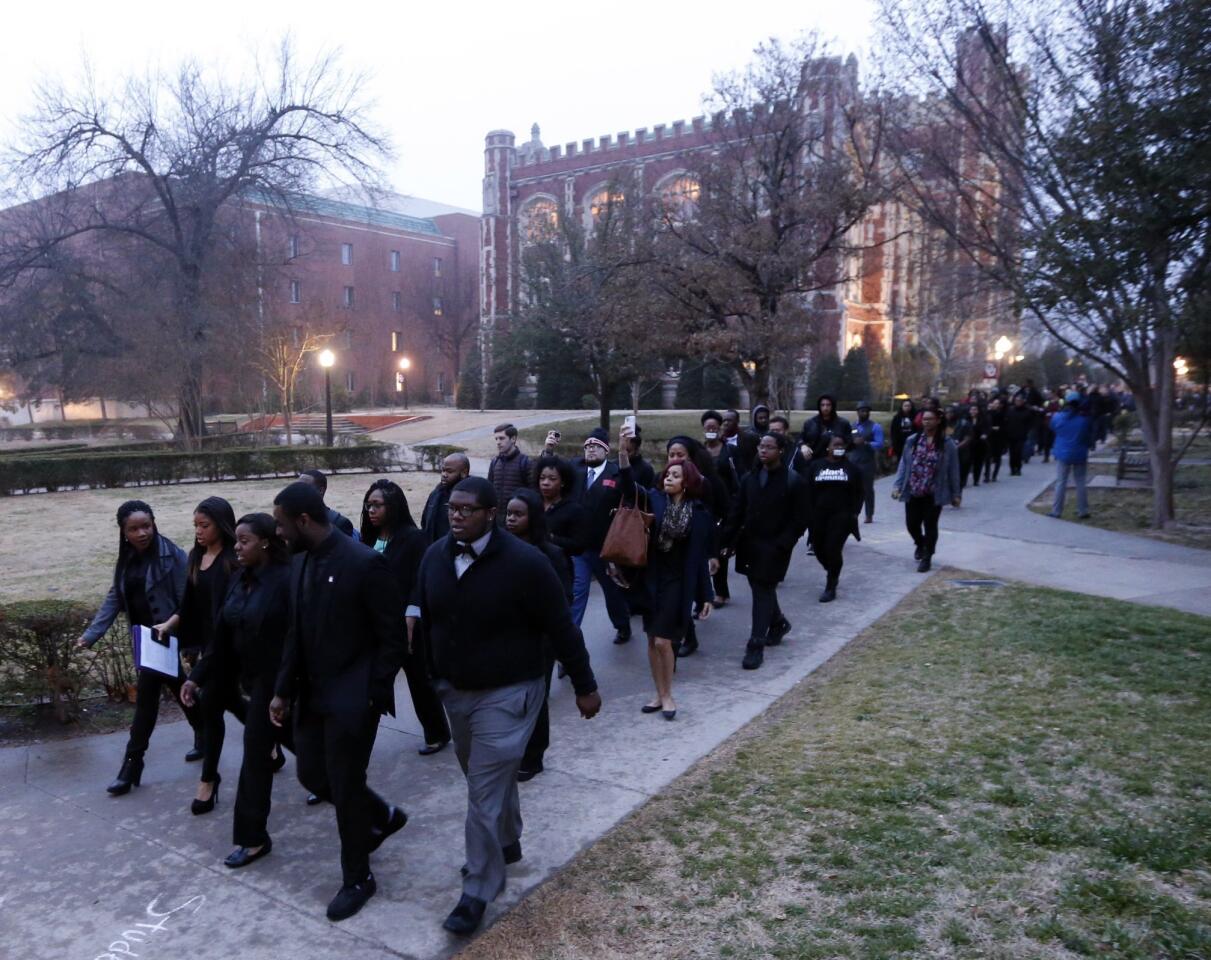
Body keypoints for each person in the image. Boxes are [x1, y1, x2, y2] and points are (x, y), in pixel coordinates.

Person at [410, 476, 601, 935]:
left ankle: (479, 887)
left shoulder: (526, 563)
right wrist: (433, 676)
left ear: (490, 514)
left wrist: (584, 684)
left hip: (511, 690)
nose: (456, 515)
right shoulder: (435, 555)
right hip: (456, 691)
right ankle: (509, 841)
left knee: (482, 788)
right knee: (484, 777)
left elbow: (561, 626)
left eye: (466, 509)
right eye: (452, 509)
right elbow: (425, 612)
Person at [269, 481, 407, 923]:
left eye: (281, 524)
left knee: (345, 788)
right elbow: (296, 631)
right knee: (311, 773)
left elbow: (392, 640)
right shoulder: (301, 561)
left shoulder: (365, 563)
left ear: (304, 520)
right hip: (311, 695)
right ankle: (381, 814)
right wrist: (282, 689)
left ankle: (358, 878)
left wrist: (371, 694)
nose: (279, 533)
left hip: (352, 699)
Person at [181, 513, 294, 869]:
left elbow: (297, 640)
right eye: (236, 541)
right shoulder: (237, 579)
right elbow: (222, 638)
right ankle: (252, 838)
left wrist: (284, 689)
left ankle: (373, 813)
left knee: (314, 765)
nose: (237, 548)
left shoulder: (286, 580)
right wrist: (196, 677)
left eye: (244, 541)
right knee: (278, 754)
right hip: (255, 683)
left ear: (264, 542)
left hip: (281, 684)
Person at [78, 500, 201, 796]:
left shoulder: (172, 556)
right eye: (133, 529)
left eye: (146, 526)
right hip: (144, 640)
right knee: (180, 687)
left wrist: (180, 634)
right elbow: (115, 597)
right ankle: (207, 734)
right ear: (123, 532)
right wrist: (91, 634)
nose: (142, 533)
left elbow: (190, 599)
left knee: (146, 702)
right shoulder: (128, 558)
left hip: (164, 637)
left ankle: (131, 765)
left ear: (154, 523)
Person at [152, 496, 244, 815]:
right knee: (235, 705)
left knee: (211, 704)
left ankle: (208, 780)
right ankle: (276, 741)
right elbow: (188, 606)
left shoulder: (235, 559)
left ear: (222, 525)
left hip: (231, 648)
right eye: (195, 525)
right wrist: (168, 624)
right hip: (208, 646)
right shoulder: (195, 557)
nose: (199, 531)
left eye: (204, 525)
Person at [619, 424, 715, 718]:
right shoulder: (654, 499)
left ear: (686, 481)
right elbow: (627, 486)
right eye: (667, 474)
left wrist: (706, 595)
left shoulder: (699, 514)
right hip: (651, 579)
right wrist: (622, 452)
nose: (668, 477)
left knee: (663, 640)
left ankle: (669, 695)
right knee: (651, 639)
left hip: (678, 582)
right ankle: (659, 694)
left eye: (675, 475)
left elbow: (698, 558)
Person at [361, 479, 450, 756]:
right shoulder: (369, 538)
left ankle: (437, 732)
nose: (371, 510)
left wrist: (411, 617)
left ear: (394, 506)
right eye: (368, 504)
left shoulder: (413, 538)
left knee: (419, 680)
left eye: (377, 505)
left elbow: (420, 581)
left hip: (408, 623)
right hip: (376, 623)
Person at [721, 433, 809, 671]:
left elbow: (800, 518)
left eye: (769, 447)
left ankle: (756, 644)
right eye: (761, 446)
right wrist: (724, 541)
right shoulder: (750, 478)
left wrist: (785, 542)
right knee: (760, 587)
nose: (763, 450)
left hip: (775, 546)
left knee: (763, 589)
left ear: (780, 451)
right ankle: (778, 622)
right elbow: (737, 511)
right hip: (750, 544)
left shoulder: (794, 481)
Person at [505, 488, 574, 781]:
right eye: (508, 513)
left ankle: (534, 756)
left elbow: (562, 601)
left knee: (534, 699)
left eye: (518, 514)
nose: (510, 519)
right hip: (506, 638)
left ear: (533, 517)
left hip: (539, 641)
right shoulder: (500, 549)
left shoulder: (551, 554)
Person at [565, 427, 633, 644]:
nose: (591, 449)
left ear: (606, 450)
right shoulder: (575, 471)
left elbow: (630, 494)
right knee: (577, 593)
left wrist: (623, 455)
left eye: (596, 446)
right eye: (587, 446)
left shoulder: (616, 473)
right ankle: (570, 640)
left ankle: (622, 625)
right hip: (579, 547)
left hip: (606, 549)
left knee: (612, 593)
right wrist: (548, 450)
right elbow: (548, 473)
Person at [891, 408, 961, 573]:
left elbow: (954, 470)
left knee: (930, 525)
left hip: (933, 492)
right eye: (924, 419)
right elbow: (904, 464)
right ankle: (920, 544)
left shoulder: (947, 444)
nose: (926, 422)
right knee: (911, 524)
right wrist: (897, 485)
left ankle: (927, 556)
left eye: (930, 419)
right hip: (913, 490)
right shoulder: (913, 440)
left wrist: (956, 494)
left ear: (938, 421)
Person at [805, 436, 864, 602]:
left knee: (833, 548)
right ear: (827, 448)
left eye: (841, 444)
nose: (839, 447)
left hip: (841, 517)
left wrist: (854, 513)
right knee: (818, 549)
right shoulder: (816, 466)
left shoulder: (851, 469)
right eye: (835, 444)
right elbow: (807, 489)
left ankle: (831, 585)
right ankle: (832, 569)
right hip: (818, 515)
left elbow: (859, 492)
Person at [701, 410, 740, 606]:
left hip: (725, 505)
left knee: (719, 549)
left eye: (714, 428)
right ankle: (702, 594)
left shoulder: (730, 451)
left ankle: (720, 592)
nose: (711, 431)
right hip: (703, 504)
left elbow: (738, 477)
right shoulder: (699, 452)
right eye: (708, 428)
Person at [1048, 391, 1094, 520]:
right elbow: (1088, 435)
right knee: (1080, 482)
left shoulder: (1057, 417)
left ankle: (1056, 511)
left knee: (1061, 482)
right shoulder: (1084, 420)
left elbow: (1052, 428)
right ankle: (1083, 510)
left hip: (1063, 453)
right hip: (1080, 453)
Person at [535, 454, 588, 562]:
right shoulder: (532, 504)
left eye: (552, 479)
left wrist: (551, 538)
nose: (545, 483)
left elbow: (578, 546)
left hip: (558, 568)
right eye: (542, 478)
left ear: (563, 482)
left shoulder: (573, 510)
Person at [421, 452, 471, 544]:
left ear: (464, 472)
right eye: (443, 470)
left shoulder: (471, 497)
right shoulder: (436, 493)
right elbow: (425, 522)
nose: (444, 474)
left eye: (449, 471)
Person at [848, 401, 884, 523]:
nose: (864, 413)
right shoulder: (852, 426)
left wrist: (866, 443)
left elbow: (879, 444)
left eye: (866, 411)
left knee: (867, 489)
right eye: (862, 411)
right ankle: (852, 512)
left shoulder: (875, 427)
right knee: (852, 489)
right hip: (853, 461)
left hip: (867, 462)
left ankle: (869, 514)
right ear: (857, 412)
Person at [487, 423, 533, 509]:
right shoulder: (494, 462)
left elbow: (533, 493)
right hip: (497, 516)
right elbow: (489, 490)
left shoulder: (526, 462)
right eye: (496, 439)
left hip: (518, 515)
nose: (498, 442)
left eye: (501, 438)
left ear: (513, 439)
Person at [298, 469, 356, 537]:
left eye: (304, 488)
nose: (298, 491)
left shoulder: (339, 523)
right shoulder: (292, 518)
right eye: (297, 486)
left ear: (320, 490)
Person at [800, 395, 853, 461]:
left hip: (837, 460)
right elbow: (801, 439)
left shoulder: (843, 423)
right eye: (822, 405)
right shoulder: (810, 423)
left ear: (833, 406)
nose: (825, 408)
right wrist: (803, 446)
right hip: (814, 460)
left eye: (828, 405)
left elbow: (849, 442)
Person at [736, 404, 771, 474]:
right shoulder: (747, 434)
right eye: (760, 418)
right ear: (755, 419)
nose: (763, 420)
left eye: (765, 417)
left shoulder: (771, 432)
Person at [1004, 393, 1034, 476]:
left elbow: (1030, 423)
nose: (1018, 402)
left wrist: (1026, 431)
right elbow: (1006, 421)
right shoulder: (1010, 410)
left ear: (1022, 402)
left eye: (1019, 401)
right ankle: (1012, 468)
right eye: (1016, 401)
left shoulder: (1026, 411)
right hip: (1011, 435)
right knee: (1012, 453)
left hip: (1021, 435)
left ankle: (1018, 468)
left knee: (1018, 452)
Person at [948, 406, 974, 490]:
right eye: (947, 412)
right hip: (949, 451)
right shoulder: (946, 424)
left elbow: (968, 438)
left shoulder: (964, 423)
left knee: (962, 468)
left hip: (962, 451)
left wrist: (957, 446)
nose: (948, 414)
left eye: (950, 412)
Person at [623, 425, 656, 490]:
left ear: (637, 450)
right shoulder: (614, 466)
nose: (624, 454)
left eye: (628, 451)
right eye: (622, 450)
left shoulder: (646, 470)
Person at [965, 403, 988, 488]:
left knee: (978, 463)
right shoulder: (966, 419)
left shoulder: (982, 419)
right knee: (967, 463)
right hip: (968, 444)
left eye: (975, 409)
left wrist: (984, 434)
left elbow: (986, 429)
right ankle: (964, 480)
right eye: (972, 409)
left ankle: (976, 480)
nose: (973, 411)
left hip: (979, 444)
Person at [984, 397, 1006, 482]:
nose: (995, 405)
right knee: (987, 457)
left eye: (997, 403)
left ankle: (994, 475)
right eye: (994, 403)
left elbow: (1003, 426)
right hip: (990, 438)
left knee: (997, 457)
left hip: (999, 438)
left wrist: (998, 428)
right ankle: (987, 475)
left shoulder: (1002, 414)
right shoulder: (988, 413)